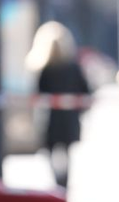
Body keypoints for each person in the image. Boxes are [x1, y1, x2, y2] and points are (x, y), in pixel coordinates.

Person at [26, 21, 91, 192]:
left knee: (53, 151)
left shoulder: (47, 68)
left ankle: (57, 182)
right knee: (65, 152)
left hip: (51, 119)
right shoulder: (72, 67)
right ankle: (63, 183)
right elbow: (85, 91)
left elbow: (40, 93)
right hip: (68, 119)